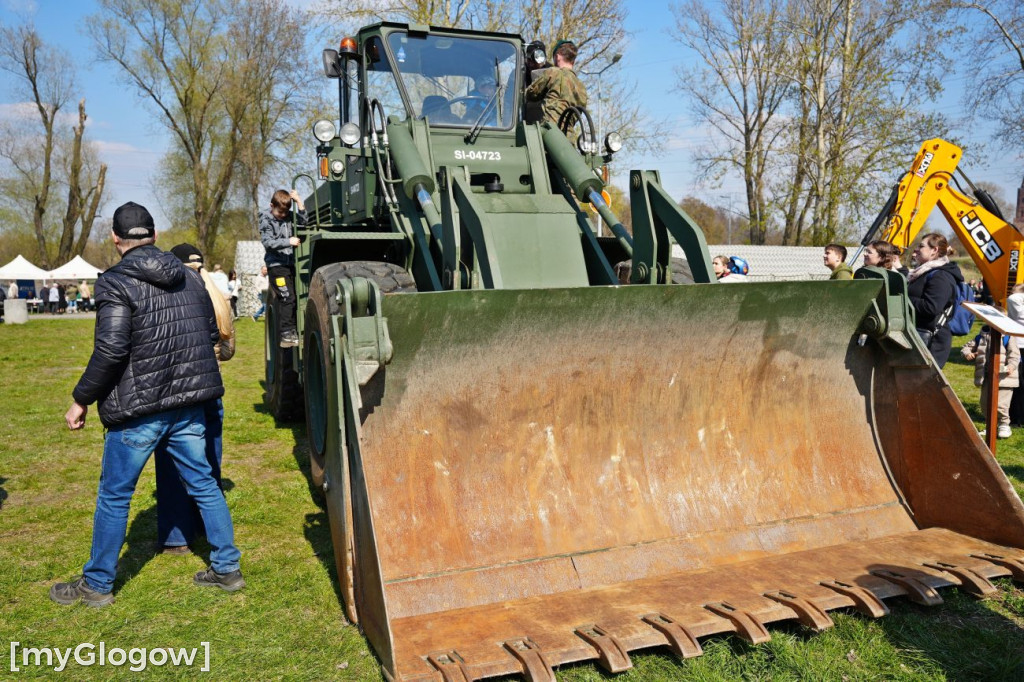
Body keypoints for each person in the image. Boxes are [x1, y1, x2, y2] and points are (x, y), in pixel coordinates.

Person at [50, 201, 243, 607]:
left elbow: (111, 349)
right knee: (205, 483)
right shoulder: (191, 279)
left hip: (140, 410)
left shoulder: (115, 282)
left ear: (116, 240)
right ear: (153, 236)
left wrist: (80, 399)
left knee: (115, 495)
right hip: (187, 404)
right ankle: (227, 568)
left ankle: (97, 585)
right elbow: (210, 332)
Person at [156, 243, 235, 555]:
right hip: (211, 385)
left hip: (177, 389)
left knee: (174, 459)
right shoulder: (213, 290)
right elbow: (227, 345)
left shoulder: (175, 292)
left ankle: (177, 534)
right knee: (210, 459)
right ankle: (207, 523)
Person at [907, 233, 964, 369]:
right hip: (918, 336)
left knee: (920, 387)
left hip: (931, 342)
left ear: (934, 250)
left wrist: (904, 299)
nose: (916, 249)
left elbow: (931, 307)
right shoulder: (922, 272)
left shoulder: (941, 276)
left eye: (921, 246)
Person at [259, 188, 307, 347]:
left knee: (292, 298)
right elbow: (268, 242)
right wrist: (289, 242)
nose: (283, 216)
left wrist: (298, 201)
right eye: (280, 213)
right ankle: (286, 334)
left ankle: (291, 332)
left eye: (286, 213)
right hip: (276, 266)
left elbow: (304, 222)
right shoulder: (266, 218)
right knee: (287, 297)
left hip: (289, 264)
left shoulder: (288, 216)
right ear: (271, 205)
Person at [962, 327, 1020, 439]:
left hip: (1004, 377)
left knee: (1001, 404)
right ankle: (990, 426)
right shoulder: (981, 336)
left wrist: (1011, 366)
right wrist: (967, 353)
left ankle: (1004, 424)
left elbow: (1015, 355)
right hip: (987, 377)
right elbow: (966, 347)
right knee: (985, 403)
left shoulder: (1007, 337)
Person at [525, 39, 588, 131]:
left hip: (550, 132)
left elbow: (531, 93)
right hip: (569, 135)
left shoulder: (553, 73)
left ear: (557, 57)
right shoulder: (581, 87)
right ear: (573, 62)